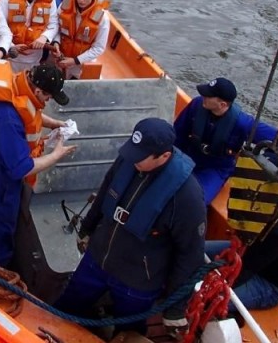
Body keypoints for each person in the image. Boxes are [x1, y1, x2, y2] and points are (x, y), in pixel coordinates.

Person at [54, 118, 206, 337]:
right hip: (98, 258)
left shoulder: (187, 196)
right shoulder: (129, 158)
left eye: (140, 156)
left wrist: (175, 308)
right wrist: (87, 228)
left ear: (164, 156)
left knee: (130, 330)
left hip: (138, 280)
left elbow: (190, 254)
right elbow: (106, 191)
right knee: (68, 305)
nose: (132, 159)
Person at [0, 61, 76, 266]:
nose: (49, 100)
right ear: (37, 90)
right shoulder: (7, 120)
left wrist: (56, 124)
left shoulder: (11, 87)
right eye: (48, 96)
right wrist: (57, 154)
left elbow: (28, 109)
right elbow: (21, 168)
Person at [174, 77, 278, 205]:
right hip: (188, 156)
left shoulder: (242, 123)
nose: (203, 96)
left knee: (196, 201)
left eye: (208, 96)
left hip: (215, 169)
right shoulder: (196, 105)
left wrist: (265, 163)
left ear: (222, 104)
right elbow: (178, 133)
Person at [206, 178, 278, 311]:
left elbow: (245, 270)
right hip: (249, 250)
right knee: (198, 250)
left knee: (210, 299)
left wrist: (210, 285)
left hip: (268, 282)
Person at [0, 0, 58, 74]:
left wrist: (44, 37)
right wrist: (11, 46)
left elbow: (54, 24)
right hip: (11, 57)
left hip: (35, 59)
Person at [51, 0, 110, 79]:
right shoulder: (65, 6)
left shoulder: (103, 18)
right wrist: (56, 43)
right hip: (60, 57)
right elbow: (56, 26)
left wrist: (75, 61)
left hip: (82, 63)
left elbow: (98, 48)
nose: (81, 0)